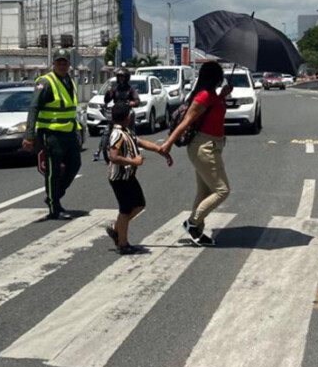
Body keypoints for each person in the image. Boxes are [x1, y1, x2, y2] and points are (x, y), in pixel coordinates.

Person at [161, 60, 233, 246]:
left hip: (213, 146)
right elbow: (185, 122)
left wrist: (223, 95)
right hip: (204, 147)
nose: (222, 79)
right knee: (222, 190)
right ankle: (192, 223)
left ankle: (197, 233)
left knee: (205, 191)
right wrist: (168, 144)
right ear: (215, 78)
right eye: (220, 77)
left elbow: (214, 112)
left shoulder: (212, 95)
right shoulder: (203, 97)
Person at [103, 102, 173, 255]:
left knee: (139, 204)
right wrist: (134, 161)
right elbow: (113, 157)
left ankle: (117, 229)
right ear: (127, 117)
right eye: (130, 113)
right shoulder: (117, 134)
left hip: (128, 176)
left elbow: (140, 142)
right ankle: (123, 244)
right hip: (119, 178)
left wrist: (160, 150)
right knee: (125, 209)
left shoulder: (126, 131)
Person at [22, 49, 83, 220]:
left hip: (69, 133)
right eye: (59, 62)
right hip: (51, 134)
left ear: (69, 64)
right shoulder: (46, 82)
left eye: (65, 62)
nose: (62, 65)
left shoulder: (69, 80)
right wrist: (29, 135)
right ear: (53, 64)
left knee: (75, 165)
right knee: (53, 171)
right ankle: (54, 207)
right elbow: (33, 107)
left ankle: (55, 194)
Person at [94, 67, 140, 162]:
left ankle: (135, 148)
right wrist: (108, 93)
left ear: (127, 78)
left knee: (131, 131)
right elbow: (107, 100)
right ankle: (99, 150)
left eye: (122, 77)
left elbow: (137, 100)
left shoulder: (130, 89)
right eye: (119, 77)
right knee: (108, 129)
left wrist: (132, 103)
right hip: (116, 112)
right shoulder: (115, 89)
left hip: (127, 112)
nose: (121, 79)